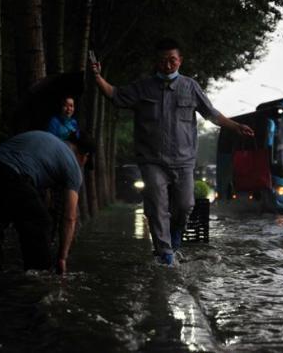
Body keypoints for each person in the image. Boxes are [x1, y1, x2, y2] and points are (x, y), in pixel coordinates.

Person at [91, 37, 254, 265]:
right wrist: (98, 77)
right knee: (157, 206)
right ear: (156, 62)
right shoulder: (143, 87)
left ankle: (175, 236)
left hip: (184, 160)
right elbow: (115, 95)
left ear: (180, 60)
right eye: (162, 60)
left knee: (185, 205)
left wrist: (236, 126)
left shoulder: (190, 87)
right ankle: (165, 253)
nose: (167, 65)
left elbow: (211, 114)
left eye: (172, 60)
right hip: (152, 160)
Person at [0, 130, 94, 277]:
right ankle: (38, 283)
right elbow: (70, 217)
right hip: (11, 173)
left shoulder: (46, 138)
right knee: (40, 223)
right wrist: (62, 257)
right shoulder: (73, 166)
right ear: (85, 156)